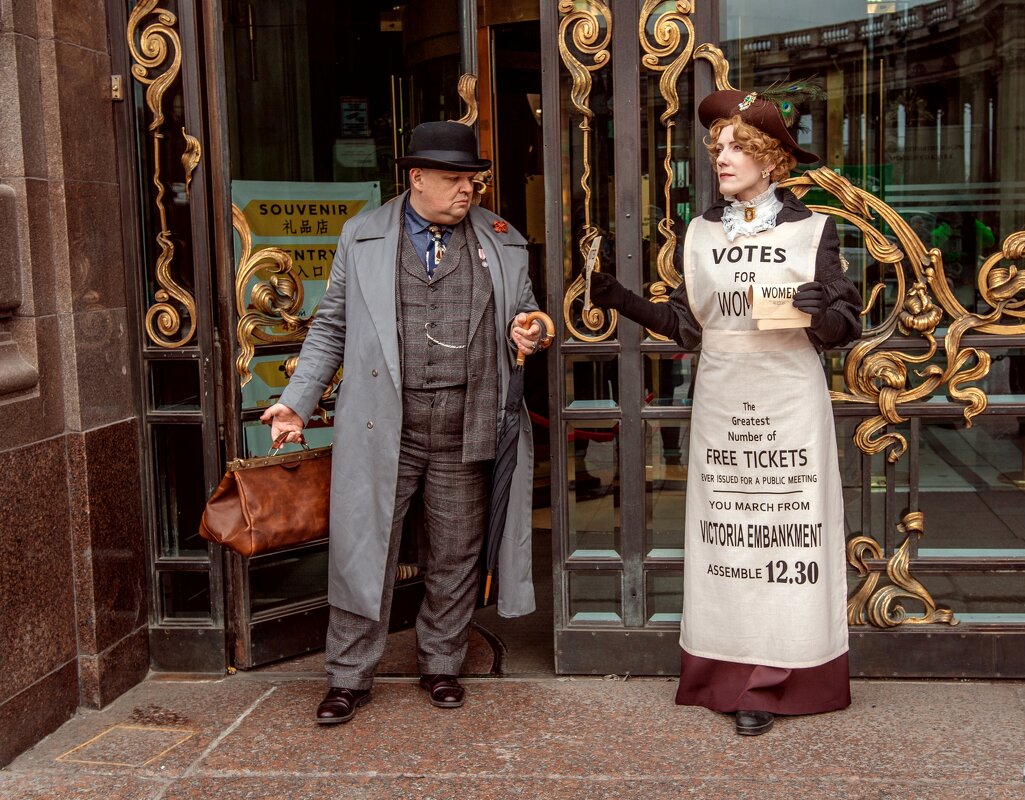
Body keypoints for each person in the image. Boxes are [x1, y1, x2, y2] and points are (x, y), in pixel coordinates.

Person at [590, 89, 862, 736]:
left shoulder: (813, 230)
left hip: (789, 408)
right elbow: (689, 329)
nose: (723, 157)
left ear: (772, 159)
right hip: (722, 408)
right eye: (718, 147)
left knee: (786, 543)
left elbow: (847, 322)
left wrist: (817, 310)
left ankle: (774, 681)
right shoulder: (702, 232)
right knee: (728, 547)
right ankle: (728, 675)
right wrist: (621, 299)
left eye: (738, 146)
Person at [261, 120, 545, 724]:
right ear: (416, 178)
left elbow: (530, 314)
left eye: (473, 179)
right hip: (385, 422)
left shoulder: (501, 239)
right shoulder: (362, 236)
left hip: (469, 419)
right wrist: (296, 401)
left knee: (456, 550)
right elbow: (331, 326)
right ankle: (347, 676)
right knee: (365, 549)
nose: (467, 190)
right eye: (453, 179)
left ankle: (442, 663)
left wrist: (535, 329)